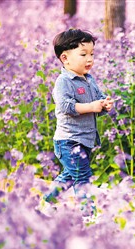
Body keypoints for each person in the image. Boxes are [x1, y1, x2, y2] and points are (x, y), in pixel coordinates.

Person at [37, 28, 114, 224]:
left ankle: (47, 201)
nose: (89, 59)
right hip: (68, 142)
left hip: (85, 140)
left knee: (70, 176)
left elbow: (97, 100)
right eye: (83, 54)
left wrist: (104, 104)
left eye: (92, 54)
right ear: (65, 58)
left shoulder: (89, 80)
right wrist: (91, 106)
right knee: (83, 178)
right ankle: (90, 216)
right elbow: (65, 106)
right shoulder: (64, 82)